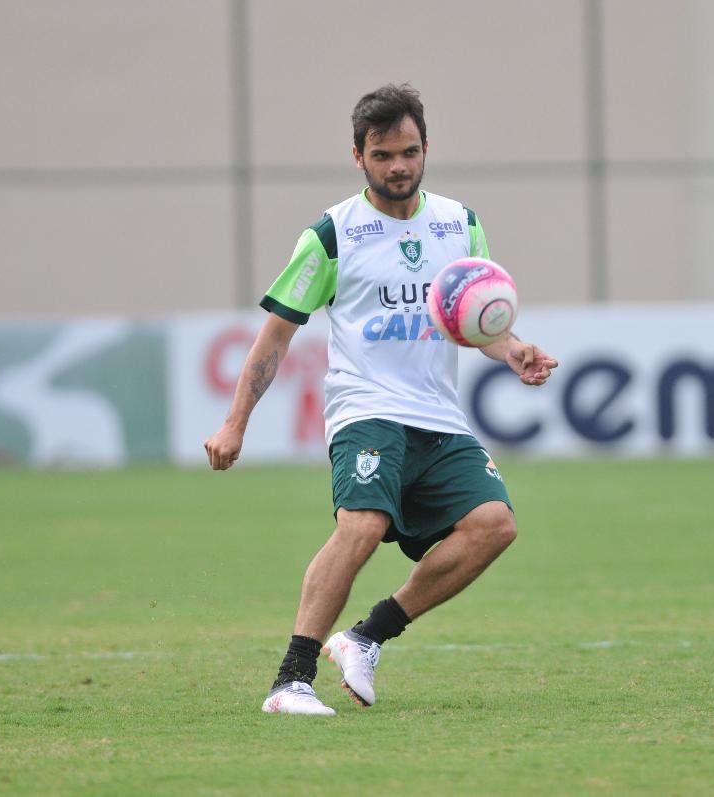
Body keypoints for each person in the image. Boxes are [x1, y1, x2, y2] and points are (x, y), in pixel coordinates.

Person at [203, 83, 558, 716]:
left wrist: (514, 349)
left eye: (409, 151)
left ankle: (366, 637)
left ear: (427, 149)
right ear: (358, 157)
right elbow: (275, 336)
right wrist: (235, 422)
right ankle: (290, 681)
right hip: (366, 410)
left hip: (438, 417)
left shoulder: (461, 223)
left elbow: (475, 323)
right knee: (362, 526)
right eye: (383, 154)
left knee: (493, 526)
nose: (398, 165)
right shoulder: (332, 235)